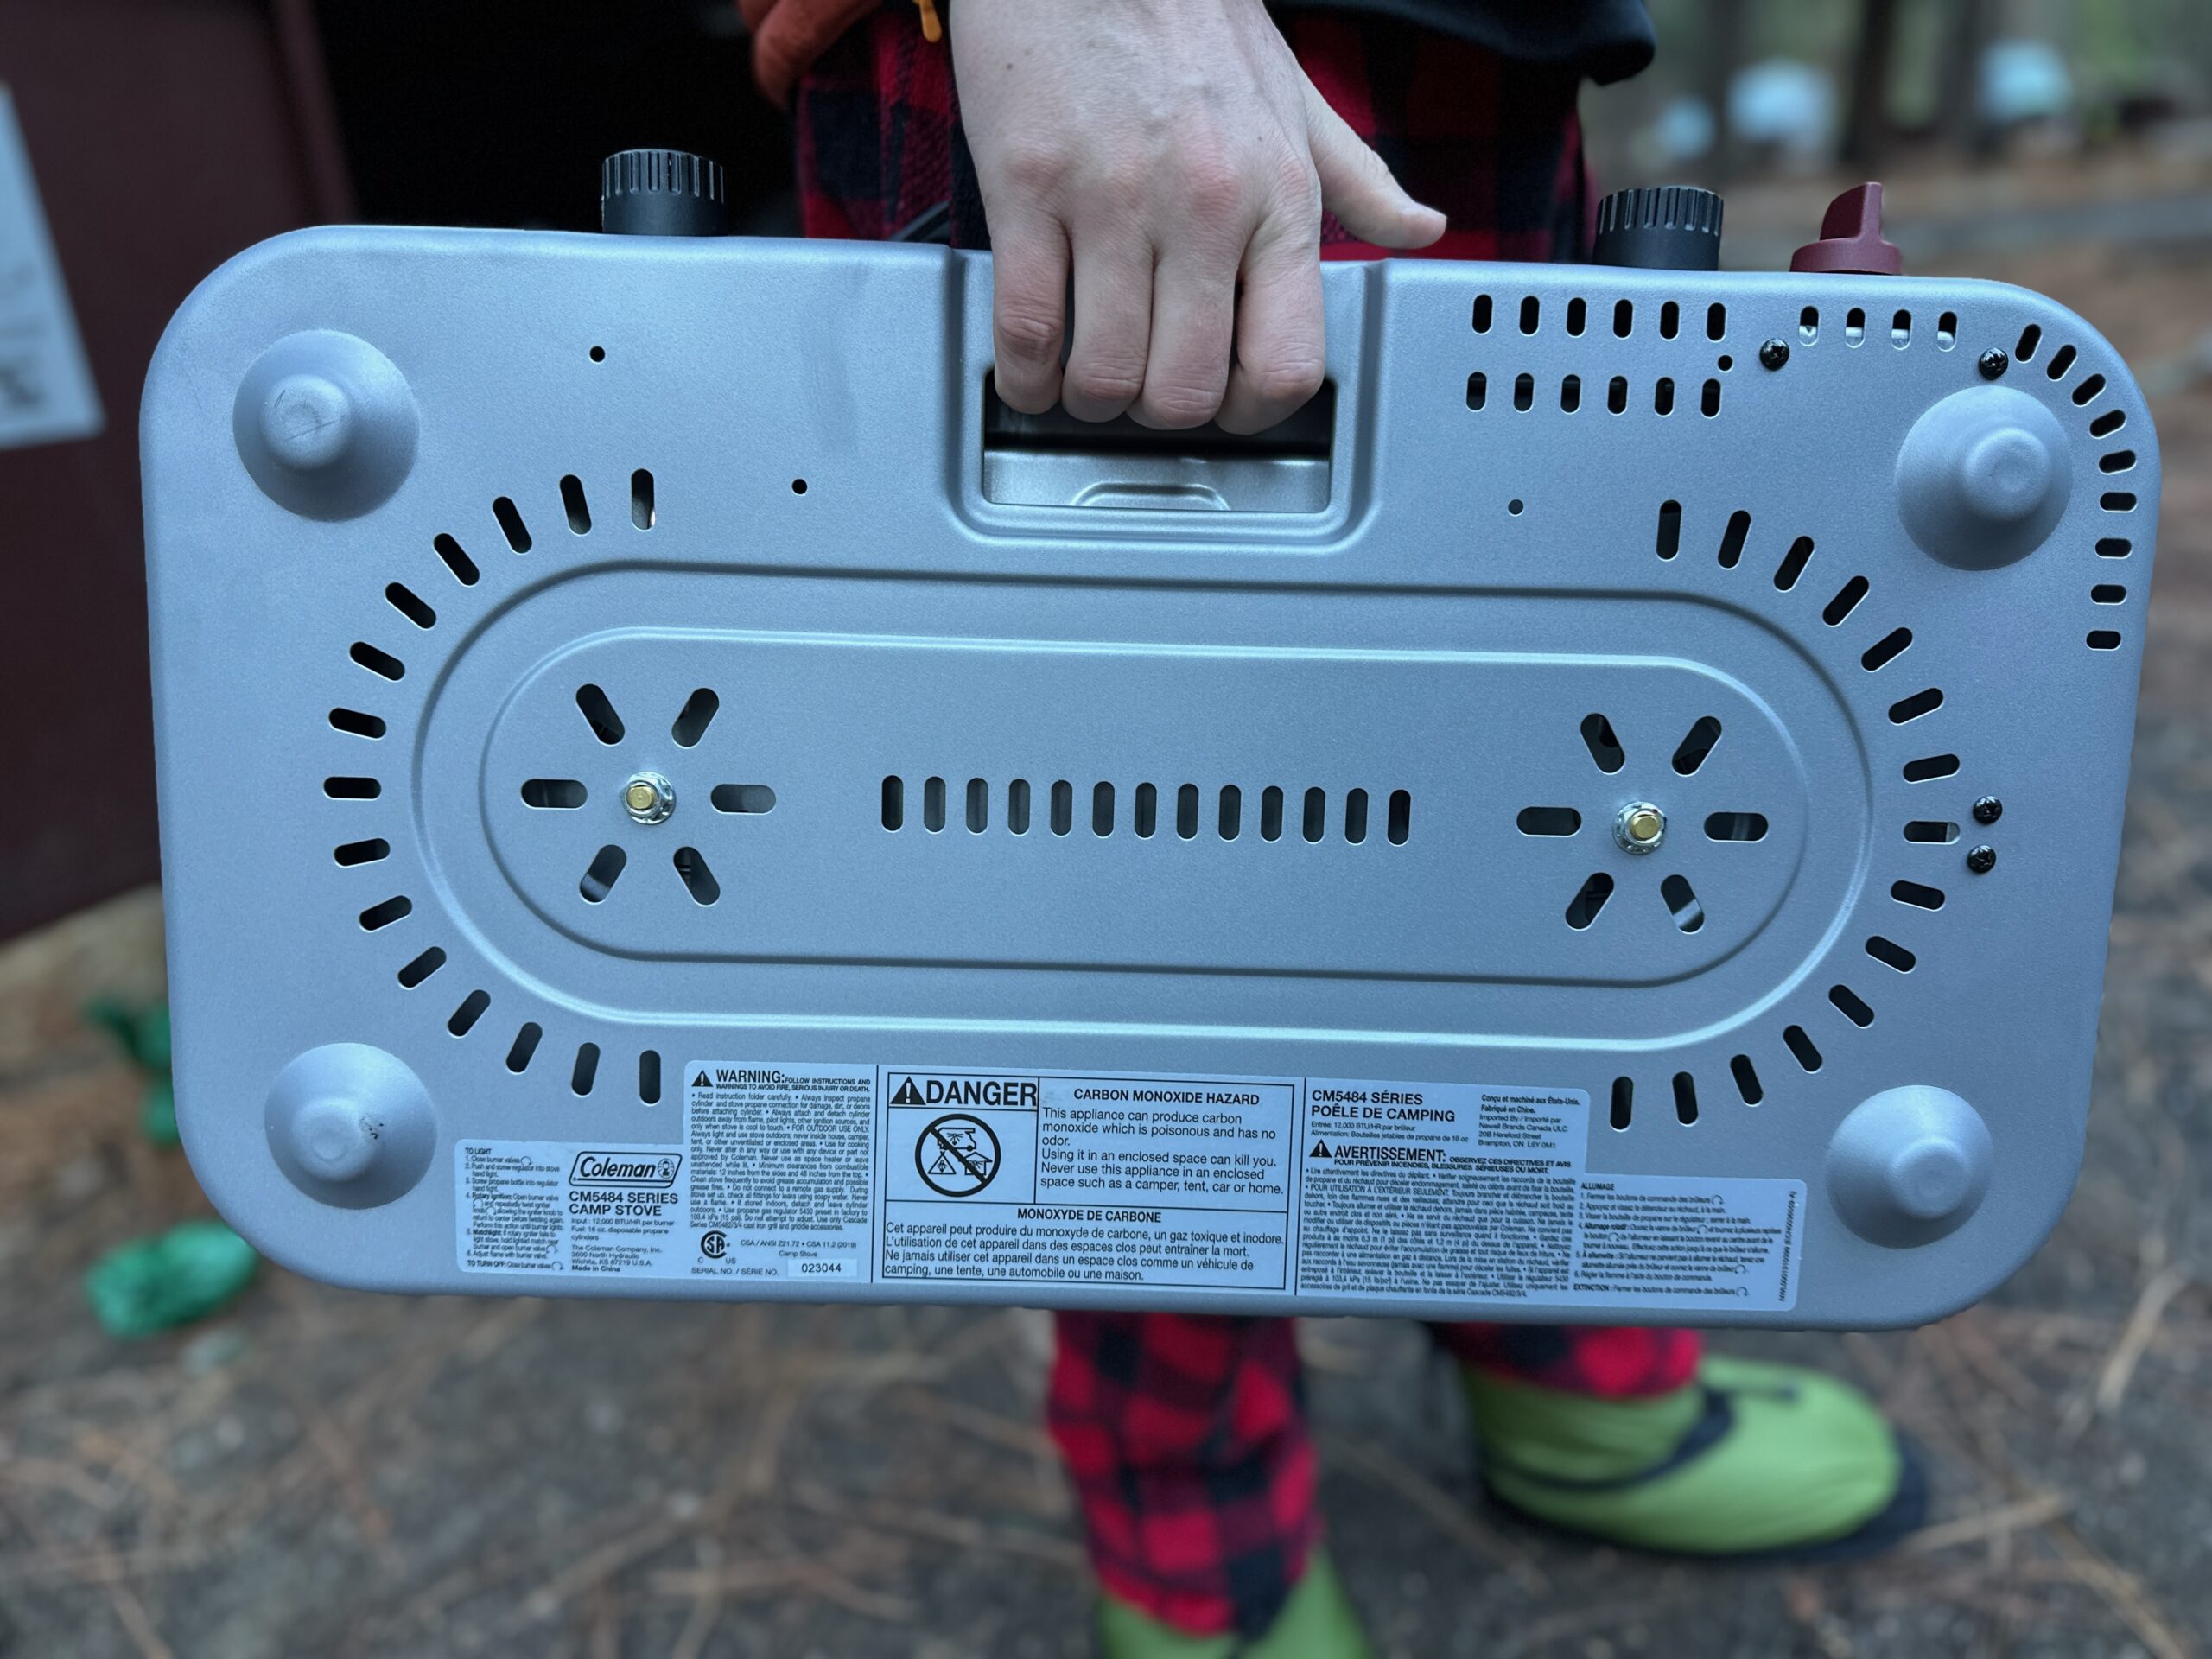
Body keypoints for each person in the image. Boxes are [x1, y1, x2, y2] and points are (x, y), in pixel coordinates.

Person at [738, 3, 1926, 1651]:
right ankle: (1197, 1532)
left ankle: (1559, 1352)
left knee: (1546, 772)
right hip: (1087, 54)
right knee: (1163, 865)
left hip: (1477, 43)